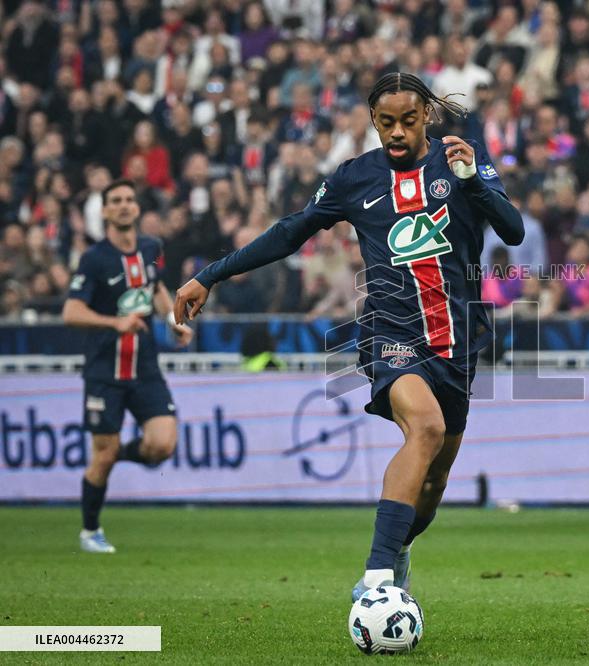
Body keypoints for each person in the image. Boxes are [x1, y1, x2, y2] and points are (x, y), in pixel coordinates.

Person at [174, 72, 524, 602]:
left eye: (408, 121)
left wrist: (475, 181)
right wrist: (211, 274)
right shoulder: (354, 178)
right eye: (386, 123)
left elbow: (514, 231)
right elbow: (290, 231)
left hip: (455, 341)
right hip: (390, 331)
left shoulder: (459, 161)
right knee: (424, 427)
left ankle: (398, 552)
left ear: (426, 116)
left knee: (434, 482)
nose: (397, 133)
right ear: (373, 122)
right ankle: (378, 580)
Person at [62, 179, 194, 554]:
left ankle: (112, 453)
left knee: (163, 443)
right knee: (100, 457)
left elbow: (153, 288)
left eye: (129, 200)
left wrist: (172, 320)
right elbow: (71, 311)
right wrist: (114, 323)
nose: (123, 206)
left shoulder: (151, 247)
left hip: (145, 368)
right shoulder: (94, 259)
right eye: (115, 201)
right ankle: (90, 531)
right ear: (104, 211)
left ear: (137, 208)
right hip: (106, 371)